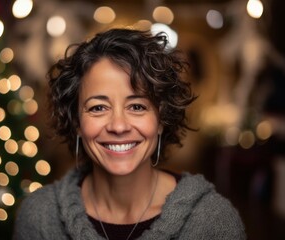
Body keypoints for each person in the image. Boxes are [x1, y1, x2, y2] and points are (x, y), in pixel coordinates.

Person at [13, 28, 246, 240]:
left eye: (137, 106)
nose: (118, 126)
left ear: (161, 120)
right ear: (76, 122)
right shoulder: (40, 217)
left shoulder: (213, 223)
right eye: (98, 107)